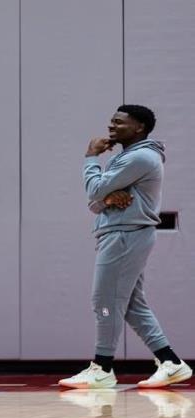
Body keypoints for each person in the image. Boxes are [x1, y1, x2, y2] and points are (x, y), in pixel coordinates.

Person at [59, 104, 193, 389]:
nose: (111, 126)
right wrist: (107, 198)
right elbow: (95, 202)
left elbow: (94, 189)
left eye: (119, 122)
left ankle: (103, 367)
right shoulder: (127, 157)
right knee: (131, 304)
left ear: (139, 127)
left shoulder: (140, 157)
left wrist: (91, 157)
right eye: (111, 121)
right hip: (122, 234)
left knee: (105, 302)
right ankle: (170, 362)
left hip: (124, 235)